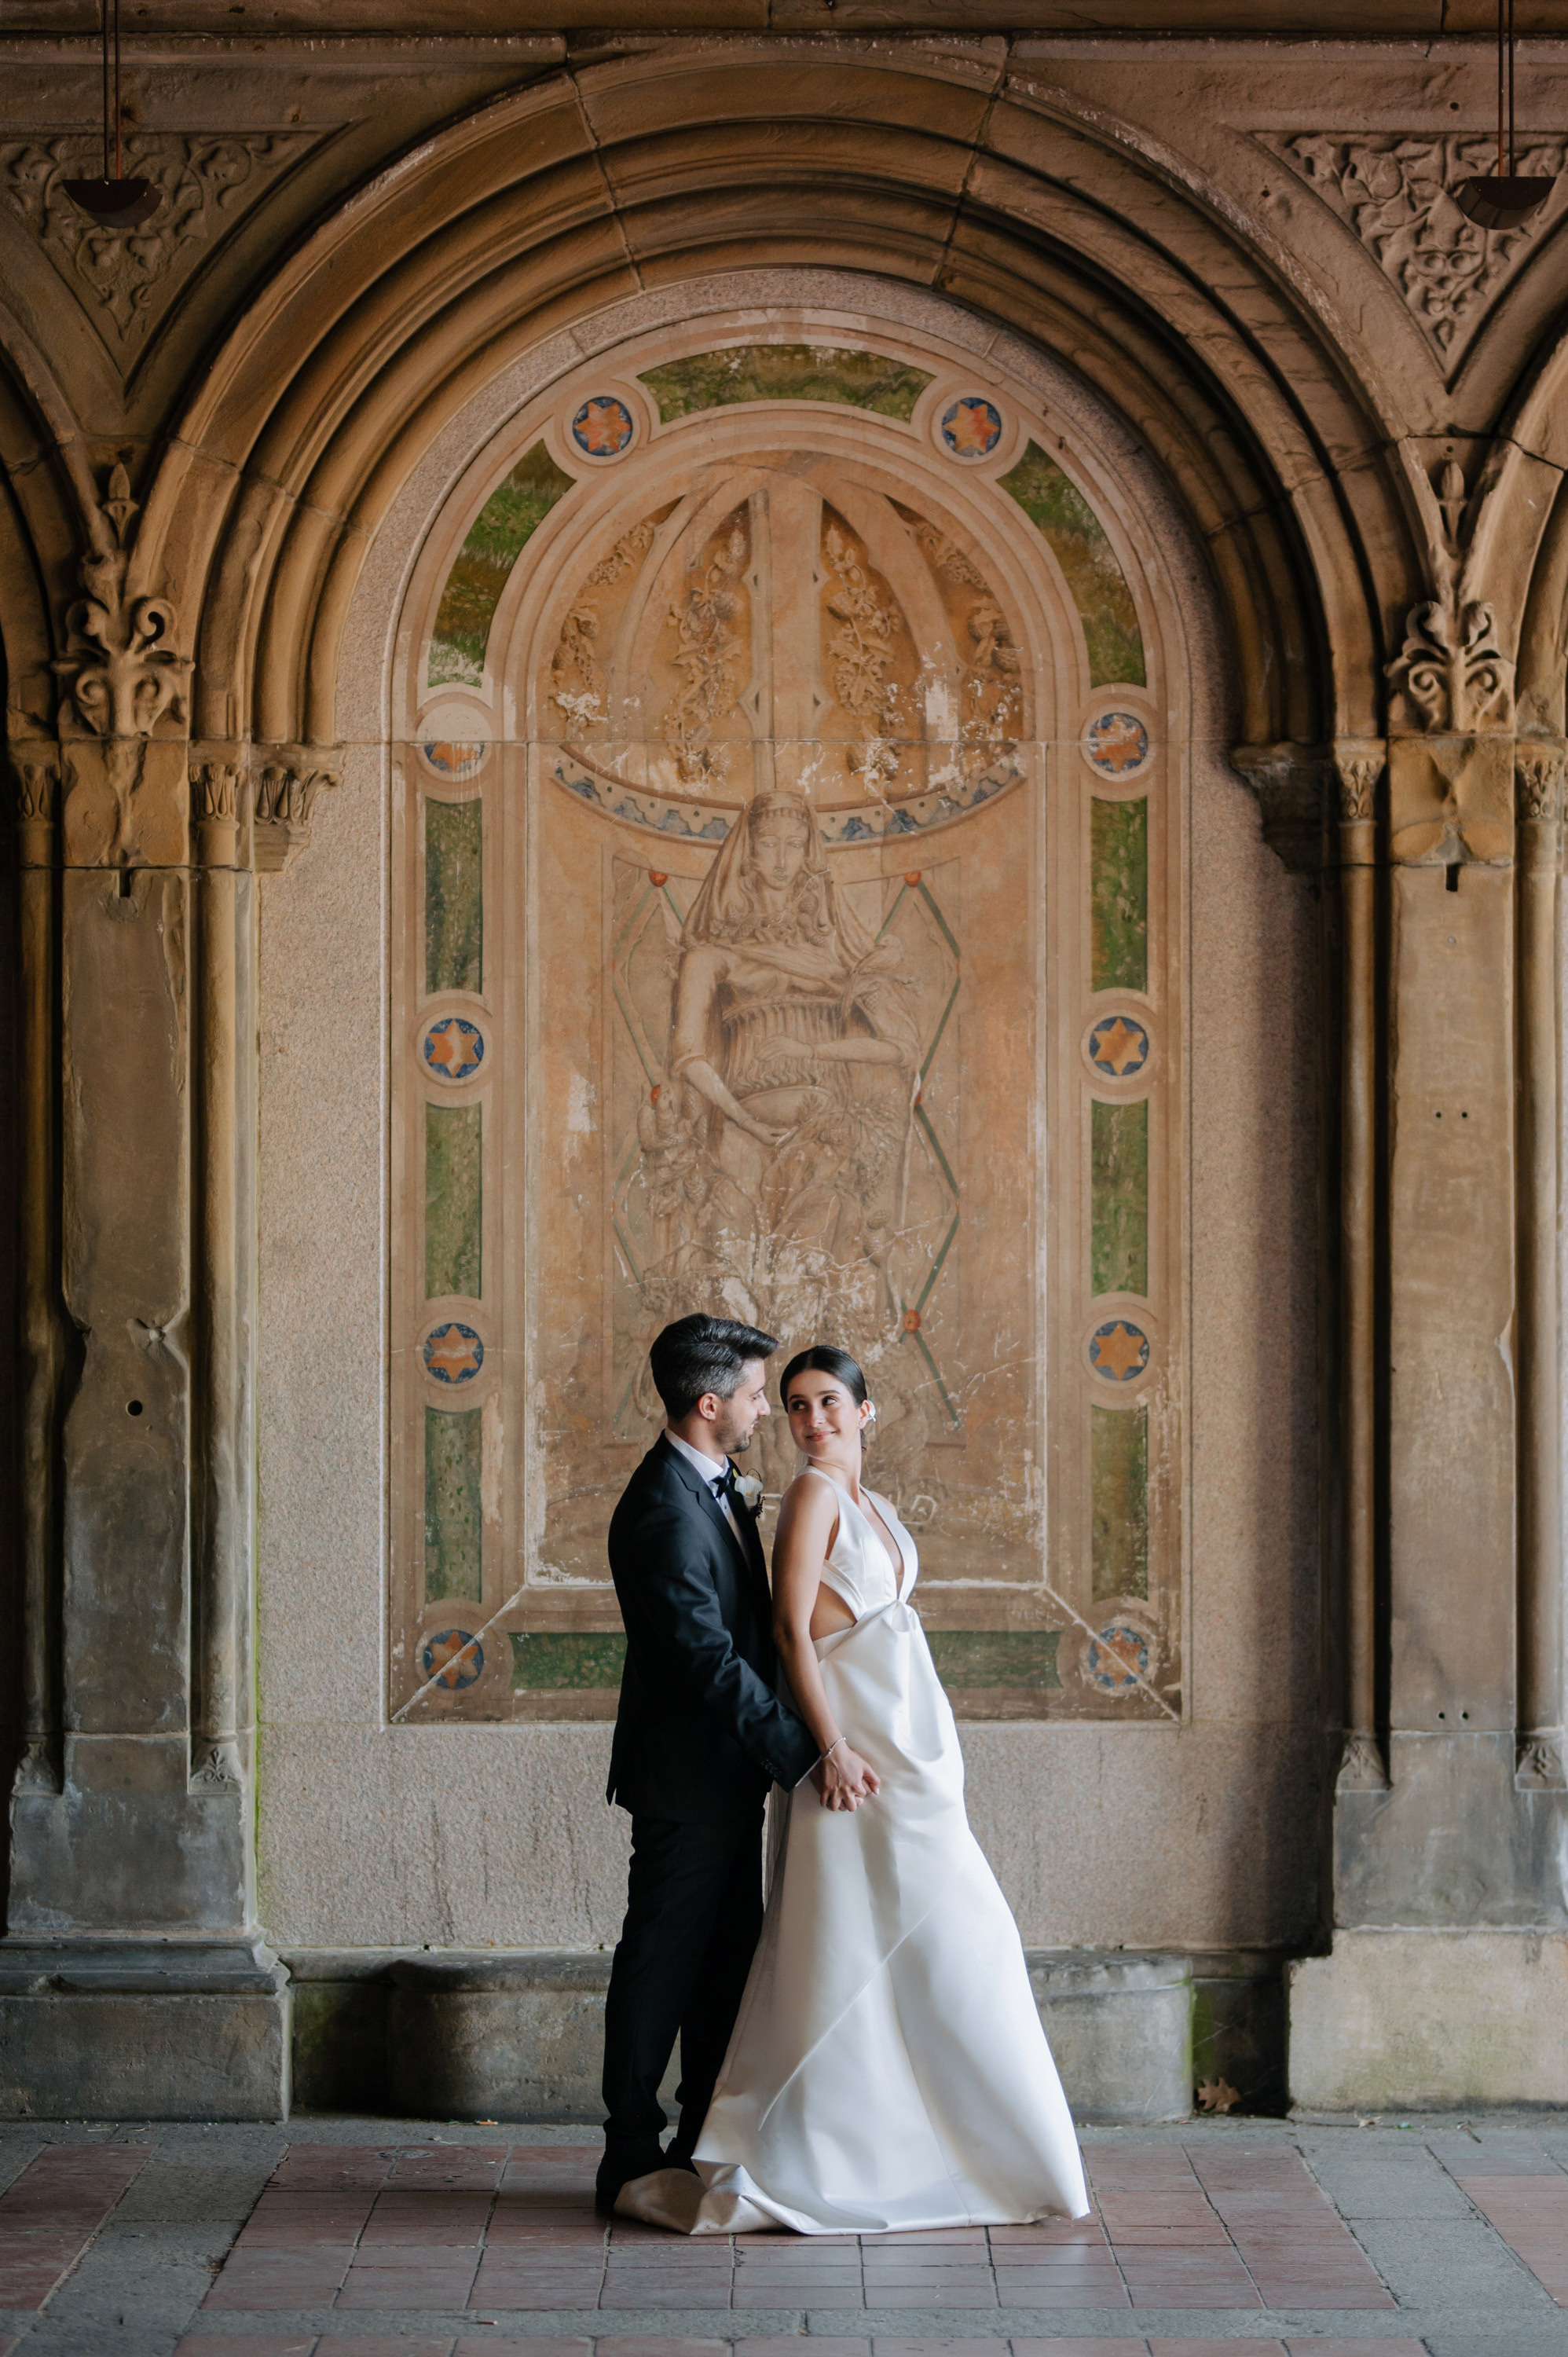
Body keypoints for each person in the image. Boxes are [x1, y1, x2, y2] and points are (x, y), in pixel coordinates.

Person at [633, 1343, 1090, 2236]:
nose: (811, 1421)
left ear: (866, 1410)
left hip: (911, 1758)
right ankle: (829, 2148)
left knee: (943, 1947)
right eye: (795, 1405)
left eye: (829, 1402)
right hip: (854, 1766)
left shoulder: (871, 1504)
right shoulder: (807, 1496)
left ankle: (942, 2150)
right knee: (876, 1943)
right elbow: (790, 1633)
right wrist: (828, 1749)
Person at [597, 1314, 879, 2221]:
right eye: (760, 1394)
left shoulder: (712, 1484)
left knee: (724, 1968)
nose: (771, 1408)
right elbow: (708, 1659)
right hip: (686, 1783)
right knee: (661, 1964)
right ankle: (629, 2151)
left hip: (726, 1778)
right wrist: (805, 1753)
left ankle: (699, 2140)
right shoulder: (658, 1510)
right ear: (710, 1403)